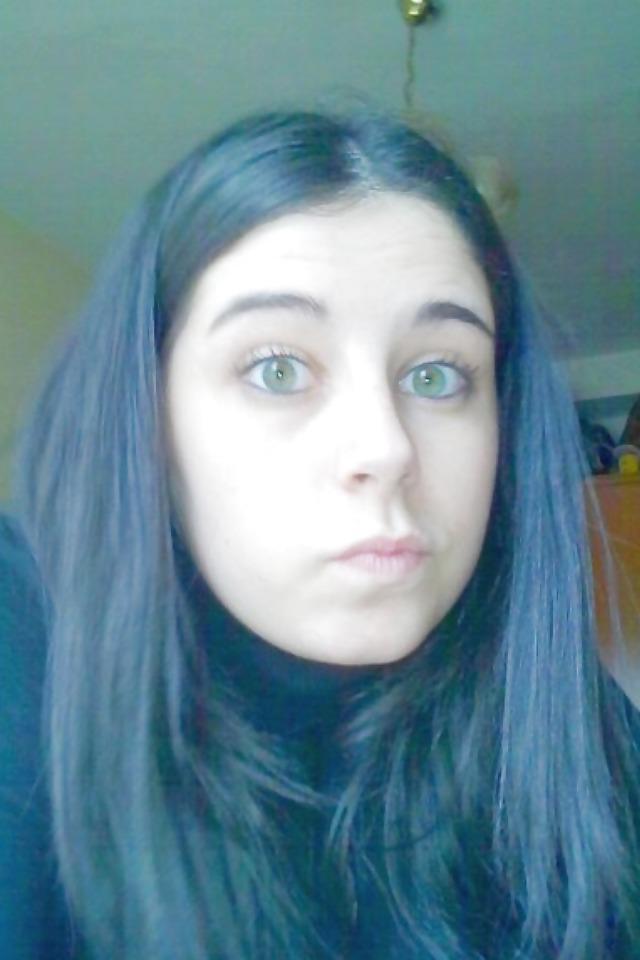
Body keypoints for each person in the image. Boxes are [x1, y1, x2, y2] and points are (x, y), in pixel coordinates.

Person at [1, 106, 639, 960]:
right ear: (148, 420)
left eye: (436, 375)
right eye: (277, 368)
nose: (385, 448)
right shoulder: (25, 635)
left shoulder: (582, 728)